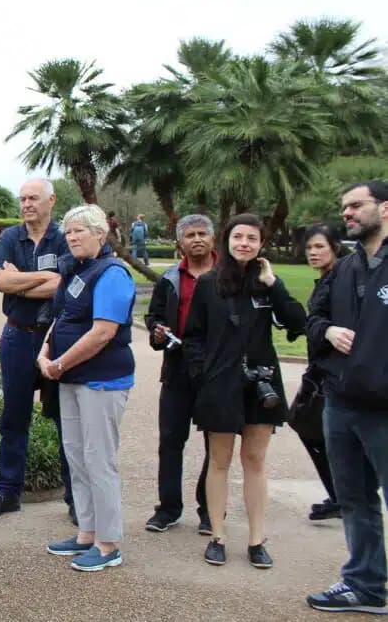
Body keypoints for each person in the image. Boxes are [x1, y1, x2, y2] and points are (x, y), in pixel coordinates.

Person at [183, 213, 306, 570]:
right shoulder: (208, 284)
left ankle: (256, 539)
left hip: (261, 381)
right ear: (227, 239)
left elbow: (297, 322)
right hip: (221, 382)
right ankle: (218, 535)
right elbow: (193, 336)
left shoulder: (267, 283)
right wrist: (202, 374)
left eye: (252, 239)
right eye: (238, 237)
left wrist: (274, 284)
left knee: (254, 461)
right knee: (219, 461)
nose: (244, 244)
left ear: (261, 245)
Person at [304, 182, 388, 614]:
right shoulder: (345, 268)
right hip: (342, 403)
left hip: (384, 409)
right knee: (354, 498)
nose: (349, 213)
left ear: (385, 209)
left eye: (357, 205)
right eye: (345, 208)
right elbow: (312, 318)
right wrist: (328, 331)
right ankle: (365, 585)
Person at [38, 205, 136, 573]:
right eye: (69, 232)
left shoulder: (112, 273)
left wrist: (60, 364)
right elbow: (63, 317)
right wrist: (45, 351)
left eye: (80, 230)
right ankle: (87, 531)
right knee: (77, 457)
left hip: (102, 381)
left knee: (99, 460)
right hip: (72, 379)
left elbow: (103, 332)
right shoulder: (75, 270)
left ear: (100, 234)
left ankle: (108, 543)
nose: (73, 236)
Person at [0, 178, 72, 520]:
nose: (26, 203)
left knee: (65, 417)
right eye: (23, 198)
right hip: (17, 336)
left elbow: (64, 286)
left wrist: (20, 281)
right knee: (13, 416)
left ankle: (75, 498)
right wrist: (42, 278)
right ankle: (7, 492)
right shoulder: (8, 237)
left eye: (33, 198)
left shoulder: (65, 238)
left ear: (51, 200)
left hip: (56, 338)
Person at [144, 214, 216, 535]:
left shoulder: (228, 277)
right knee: (171, 441)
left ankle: (210, 508)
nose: (197, 239)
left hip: (216, 372)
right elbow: (153, 316)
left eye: (203, 233)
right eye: (190, 235)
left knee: (217, 444)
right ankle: (169, 508)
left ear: (213, 239)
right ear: (180, 243)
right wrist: (157, 331)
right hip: (176, 368)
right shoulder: (169, 279)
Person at [290, 224, 343, 522]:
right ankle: (339, 495)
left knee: (317, 430)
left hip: (330, 373)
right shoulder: (326, 279)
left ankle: (342, 496)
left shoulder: (340, 280)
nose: (313, 252)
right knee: (307, 427)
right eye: (309, 247)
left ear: (334, 247)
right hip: (317, 371)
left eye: (319, 247)